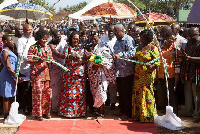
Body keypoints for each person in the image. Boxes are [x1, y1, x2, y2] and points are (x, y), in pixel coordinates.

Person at [132, 30, 160, 122]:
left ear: (148, 38)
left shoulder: (153, 48)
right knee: (138, 93)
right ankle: (138, 115)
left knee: (147, 94)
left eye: (143, 38)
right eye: (140, 37)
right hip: (138, 75)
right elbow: (135, 57)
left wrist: (151, 66)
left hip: (147, 75)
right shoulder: (139, 47)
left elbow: (158, 61)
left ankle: (148, 116)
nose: (141, 39)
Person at [58, 31, 87, 118]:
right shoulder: (67, 47)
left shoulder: (82, 47)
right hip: (69, 74)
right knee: (69, 94)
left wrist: (85, 58)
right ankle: (68, 112)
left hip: (80, 74)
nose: (76, 41)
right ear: (71, 38)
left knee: (79, 94)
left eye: (77, 39)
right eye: (74, 39)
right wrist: (71, 57)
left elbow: (85, 59)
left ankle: (79, 112)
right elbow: (64, 56)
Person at [27, 29, 53, 121]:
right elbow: (28, 59)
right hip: (37, 75)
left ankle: (46, 112)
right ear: (38, 38)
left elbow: (51, 58)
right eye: (43, 39)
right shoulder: (33, 47)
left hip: (46, 74)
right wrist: (37, 61)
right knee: (38, 94)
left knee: (47, 94)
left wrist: (50, 61)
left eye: (46, 39)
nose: (45, 41)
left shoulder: (47, 48)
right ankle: (38, 113)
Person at [87, 33, 115, 117]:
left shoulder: (104, 49)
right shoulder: (90, 49)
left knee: (102, 92)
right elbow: (89, 64)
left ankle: (102, 111)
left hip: (102, 74)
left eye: (95, 39)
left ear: (99, 38)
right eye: (92, 39)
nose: (93, 41)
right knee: (95, 93)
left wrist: (100, 61)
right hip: (93, 75)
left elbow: (109, 61)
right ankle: (97, 110)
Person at [113, 24, 136, 119]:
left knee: (127, 93)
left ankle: (128, 112)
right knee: (121, 92)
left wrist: (120, 55)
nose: (115, 34)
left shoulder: (129, 40)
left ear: (122, 31)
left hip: (127, 71)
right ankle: (122, 110)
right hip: (119, 71)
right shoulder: (116, 41)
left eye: (116, 32)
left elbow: (132, 53)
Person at [158, 32, 182, 115]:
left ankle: (174, 112)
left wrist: (177, 75)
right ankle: (167, 111)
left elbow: (178, 62)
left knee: (171, 93)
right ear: (166, 38)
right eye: (170, 38)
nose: (172, 40)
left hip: (171, 74)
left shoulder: (175, 49)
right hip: (161, 73)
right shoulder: (161, 47)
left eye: (174, 39)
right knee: (164, 92)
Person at [0, 35, 23, 119]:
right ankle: (6, 114)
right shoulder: (5, 52)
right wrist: (16, 77)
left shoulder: (11, 51)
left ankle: (9, 113)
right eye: (10, 40)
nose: (12, 42)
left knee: (10, 96)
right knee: (6, 96)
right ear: (5, 41)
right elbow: (8, 67)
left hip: (12, 75)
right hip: (7, 75)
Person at [181, 27, 200, 123]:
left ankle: (197, 114)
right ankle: (189, 112)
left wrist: (189, 58)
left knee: (196, 94)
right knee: (188, 93)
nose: (188, 38)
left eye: (190, 36)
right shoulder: (189, 43)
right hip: (188, 71)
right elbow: (186, 55)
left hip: (196, 72)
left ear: (196, 35)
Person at [16, 23, 36, 115]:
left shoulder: (33, 39)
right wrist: (29, 59)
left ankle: (31, 106)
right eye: (27, 30)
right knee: (25, 89)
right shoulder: (21, 40)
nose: (29, 31)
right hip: (25, 67)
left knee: (32, 88)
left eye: (31, 30)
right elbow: (20, 54)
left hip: (33, 67)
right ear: (24, 31)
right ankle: (25, 107)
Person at [99, 24, 117, 110]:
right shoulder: (102, 39)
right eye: (109, 30)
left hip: (114, 65)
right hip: (103, 65)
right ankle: (105, 101)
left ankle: (113, 102)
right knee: (103, 83)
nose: (111, 32)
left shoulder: (117, 39)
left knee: (113, 85)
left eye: (113, 30)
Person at [48, 29, 66, 113]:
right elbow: (57, 54)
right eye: (57, 37)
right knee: (55, 90)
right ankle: (54, 108)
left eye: (60, 36)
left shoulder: (63, 43)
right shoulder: (50, 45)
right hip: (54, 69)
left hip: (63, 68)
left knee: (63, 89)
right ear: (53, 37)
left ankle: (62, 108)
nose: (59, 38)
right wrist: (67, 56)